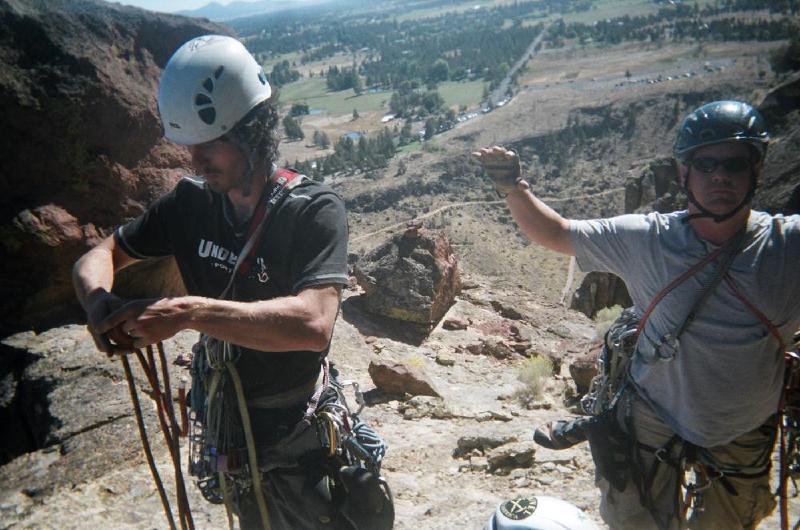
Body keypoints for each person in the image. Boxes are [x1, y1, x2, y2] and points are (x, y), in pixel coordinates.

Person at [72, 35, 391, 530]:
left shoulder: (313, 211)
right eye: (189, 146)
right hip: (230, 423)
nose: (196, 160)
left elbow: (313, 324)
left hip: (292, 426)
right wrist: (97, 301)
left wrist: (189, 313)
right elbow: (101, 254)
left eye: (210, 144)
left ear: (251, 131)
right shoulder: (189, 205)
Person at [472, 100, 800, 530]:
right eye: (706, 163)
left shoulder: (786, 246)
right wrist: (513, 187)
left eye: (736, 164)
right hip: (653, 410)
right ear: (684, 173)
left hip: (741, 422)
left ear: (756, 171)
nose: (721, 175)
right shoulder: (648, 239)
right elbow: (557, 233)